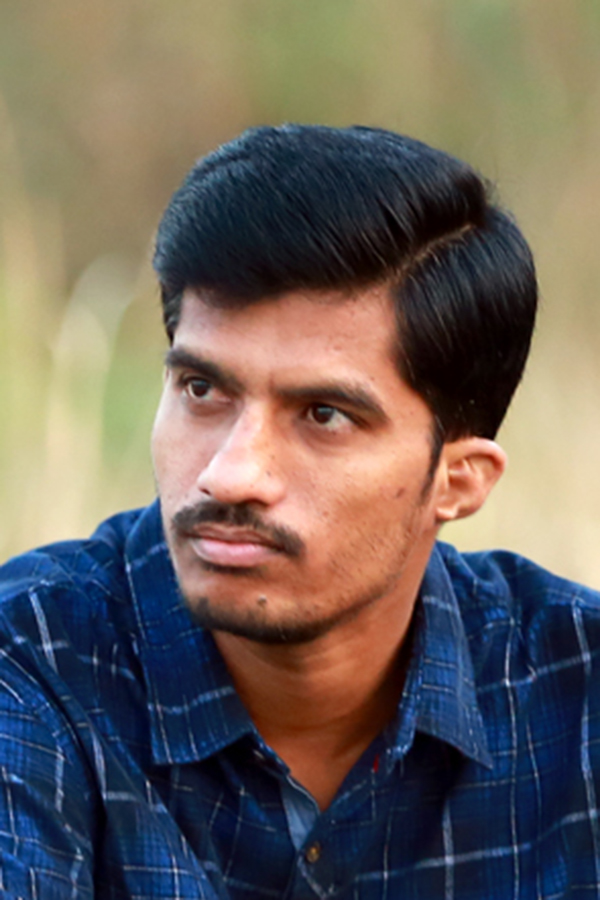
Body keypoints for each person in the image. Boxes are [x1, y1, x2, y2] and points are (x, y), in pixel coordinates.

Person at [0, 124, 598, 900]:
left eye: (324, 415)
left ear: (458, 480)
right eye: (202, 390)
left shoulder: (577, 691)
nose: (230, 474)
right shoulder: (32, 664)